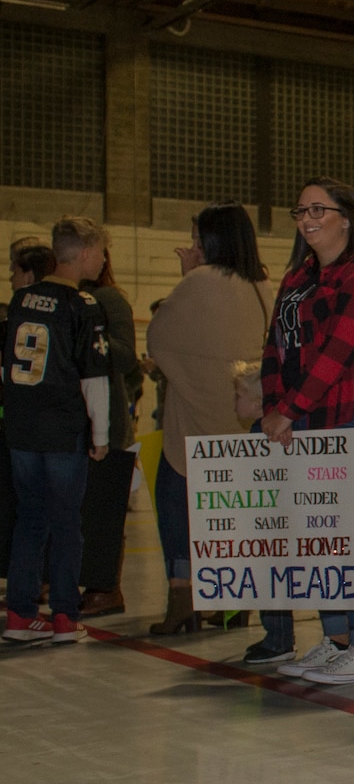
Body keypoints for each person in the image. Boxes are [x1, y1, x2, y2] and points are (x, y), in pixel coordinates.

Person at [256, 183, 354, 681]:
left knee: (353, 537)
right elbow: (274, 348)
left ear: (347, 218)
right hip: (303, 422)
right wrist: (275, 408)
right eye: (301, 210)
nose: (307, 218)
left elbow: (338, 352)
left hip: (350, 417)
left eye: (319, 209)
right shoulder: (298, 276)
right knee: (319, 537)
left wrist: (287, 410)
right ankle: (336, 637)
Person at [143, 204, 273, 635]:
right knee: (234, 515)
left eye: (199, 240)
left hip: (194, 422)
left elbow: (160, 337)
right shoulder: (261, 286)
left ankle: (183, 599)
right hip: (242, 421)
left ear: (212, 243)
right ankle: (235, 600)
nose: (194, 247)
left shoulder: (198, 281)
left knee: (175, 498)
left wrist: (187, 275)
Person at [3, 218, 112, 647]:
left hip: (21, 428)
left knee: (29, 519)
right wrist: (100, 435)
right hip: (63, 429)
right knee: (67, 522)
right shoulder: (82, 305)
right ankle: (65, 614)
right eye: (101, 251)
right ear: (84, 253)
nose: (103, 259)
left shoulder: (21, 299)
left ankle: (20, 613)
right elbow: (94, 379)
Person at [76, 247, 144, 619]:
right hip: (81, 416)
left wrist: (89, 341)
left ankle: (107, 588)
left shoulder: (109, 299)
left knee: (105, 507)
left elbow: (126, 356)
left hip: (110, 417)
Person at [0, 241, 58, 582]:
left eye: (14, 270)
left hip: (27, 429)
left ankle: (33, 585)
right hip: (39, 427)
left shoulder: (19, 318)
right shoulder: (63, 311)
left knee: (33, 513)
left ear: (29, 274)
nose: (9, 277)